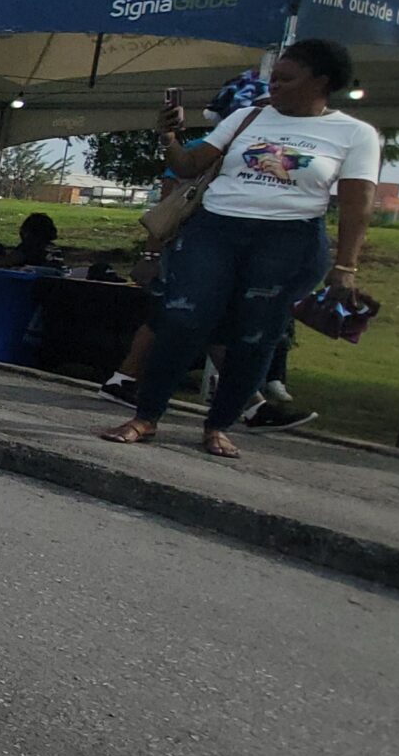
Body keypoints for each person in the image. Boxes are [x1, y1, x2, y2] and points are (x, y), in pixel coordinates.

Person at [102, 39, 377, 459]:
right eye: (274, 77)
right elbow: (187, 166)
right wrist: (169, 135)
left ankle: (218, 426)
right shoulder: (249, 116)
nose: (276, 86)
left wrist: (346, 266)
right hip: (217, 230)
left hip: (289, 241)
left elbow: (358, 205)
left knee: (254, 336)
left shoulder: (355, 134)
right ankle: (146, 416)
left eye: (287, 78)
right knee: (181, 319)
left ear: (321, 82)